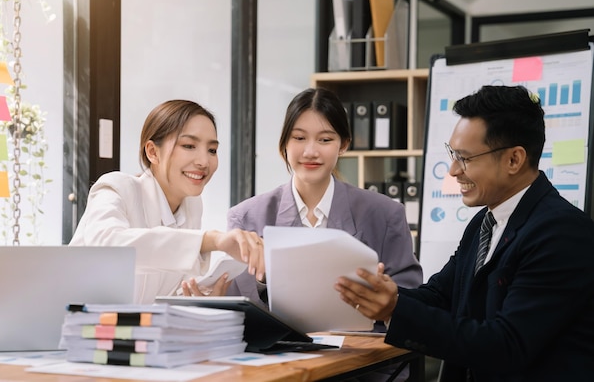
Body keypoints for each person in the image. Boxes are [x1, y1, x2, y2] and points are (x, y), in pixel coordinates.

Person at [335, 85, 594, 381]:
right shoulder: (484, 222)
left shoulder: (562, 233)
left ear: (514, 159)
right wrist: (375, 294)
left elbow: (506, 345)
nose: (453, 170)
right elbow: (440, 295)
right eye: (452, 154)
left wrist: (395, 309)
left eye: (465, 158)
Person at [186, 87, 422, 313]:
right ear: (284, 145)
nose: (310, 151)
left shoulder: (385, 215)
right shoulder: (246, 217)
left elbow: (410, 302)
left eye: (325, 140)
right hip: (278, 353)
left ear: (344, 145)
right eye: (299, 138)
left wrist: (384, 298)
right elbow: (238, 306)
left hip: (363, 352)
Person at [69, 100, 264, 304]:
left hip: (139, 331)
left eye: (212, 150)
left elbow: (162, 293)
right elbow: (108, 248)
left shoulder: (192, 205)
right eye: (189, 146)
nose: (204, 162)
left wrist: (201, 298)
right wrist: (211, 240)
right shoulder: (115, 187)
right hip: (78, 328)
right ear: (153, 152)